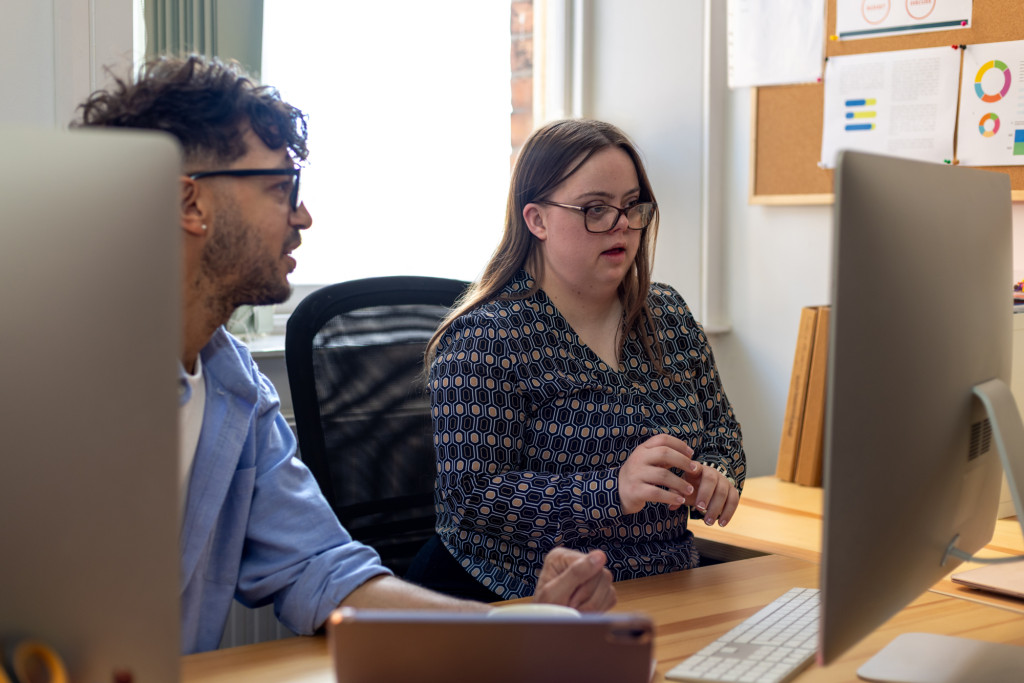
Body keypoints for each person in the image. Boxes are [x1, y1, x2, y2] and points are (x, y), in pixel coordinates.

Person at [72, 56, 615, 655]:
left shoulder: (235, 390)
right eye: (281, 189)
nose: (302, 216)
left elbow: (324, 572)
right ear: (190, 204)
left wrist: (509, 633)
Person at [421, 119, 745, 601]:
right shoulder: (485, 337)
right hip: (519, 594)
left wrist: (714, 478)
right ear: (537, 220)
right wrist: (612, 491)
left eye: (632, 206)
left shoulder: (668, 313)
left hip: (666, 582)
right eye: (595, 209)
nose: (620, 224)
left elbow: (724, 439)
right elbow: (475, 494)